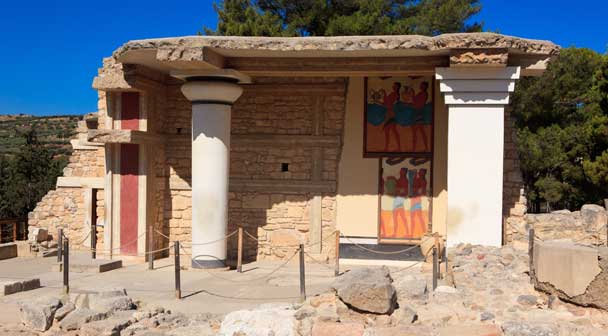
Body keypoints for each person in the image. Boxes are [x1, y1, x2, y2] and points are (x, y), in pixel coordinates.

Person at [382, 82, 402, 152]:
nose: (393, 87)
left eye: (395, 86)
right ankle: (388, 147)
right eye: (393, 86)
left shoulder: (395, 94)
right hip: (388, 113)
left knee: (391, 130)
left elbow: (388, 103)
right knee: (389, 131)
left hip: (391, 114)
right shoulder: (393, 94)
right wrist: (384, 94)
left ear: (398, 87)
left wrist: (385, 103)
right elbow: (386, 102)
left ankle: (397, 147)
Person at [411, 82, 430, 152]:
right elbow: (414, 101)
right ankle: (415, 148)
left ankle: (424, 147)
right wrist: (412, 94)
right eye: (421, 85)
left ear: (425, 87)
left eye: (423, 86)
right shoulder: (420, 93)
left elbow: (419, 103)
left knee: (419, 131)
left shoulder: (424, 94)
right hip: (417, 113)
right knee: (417, 131)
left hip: (419, 113)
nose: (421, 87)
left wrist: (414, 103)